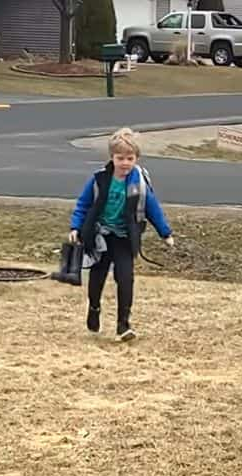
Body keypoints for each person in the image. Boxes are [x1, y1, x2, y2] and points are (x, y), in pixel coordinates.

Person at [69, 127, 174, 342]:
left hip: (125, 238)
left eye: (130, 158)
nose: (125, 163)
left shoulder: (139, 182)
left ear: (137, 158)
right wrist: (76, 228)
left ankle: (123, 325)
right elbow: (83, 204)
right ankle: (94, 308)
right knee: (97, 278)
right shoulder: (99, 179)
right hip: (100, 237)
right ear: (112, 158)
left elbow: (153, 208)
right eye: (120, 158)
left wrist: (165, 233)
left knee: (126, 279)